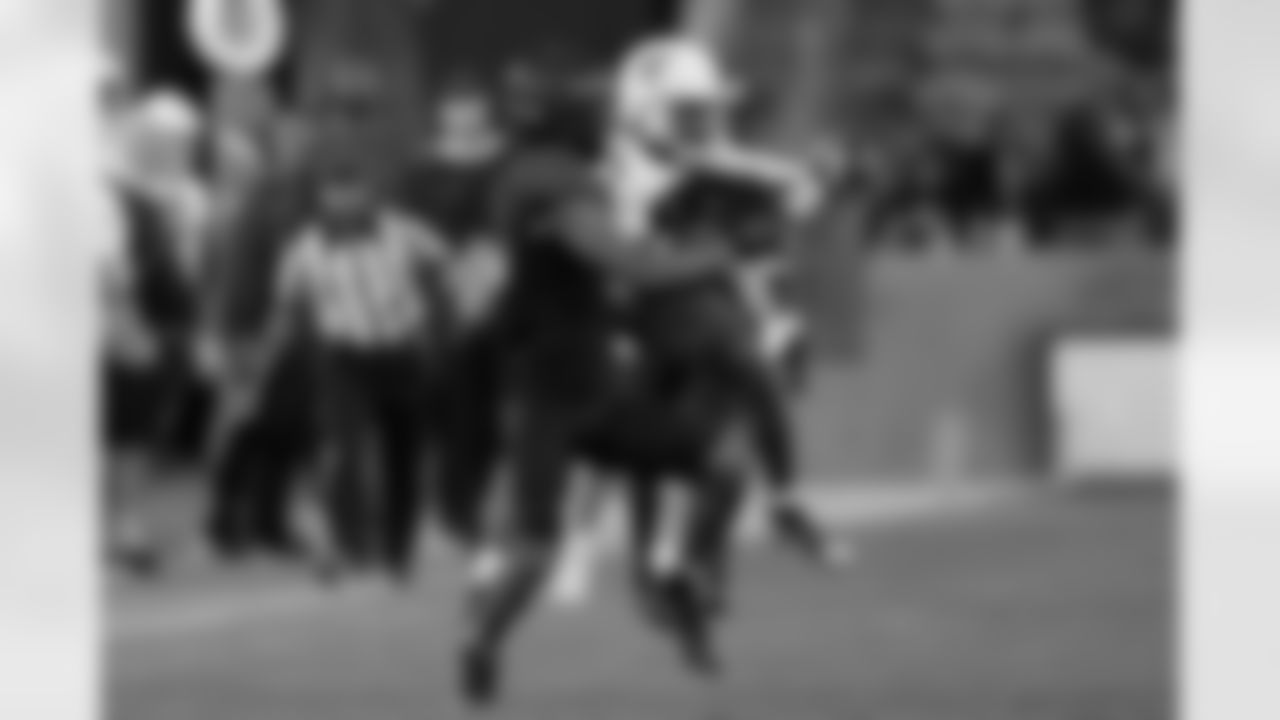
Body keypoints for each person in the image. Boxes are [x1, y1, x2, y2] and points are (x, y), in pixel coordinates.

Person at [241, 157, 454, 582]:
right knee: (343, 449)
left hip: (401, 353)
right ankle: (345, 541)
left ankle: (398, 548)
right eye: (334, 195)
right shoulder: (305, 247)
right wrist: (264, 358)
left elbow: (442, 278)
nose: (343, 203)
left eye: (352, 193)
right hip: (344, 357)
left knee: (403, 453)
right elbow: (286, 309)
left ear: (369, 194)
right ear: (322, 199)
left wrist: (442, 341)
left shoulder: (406, 234)